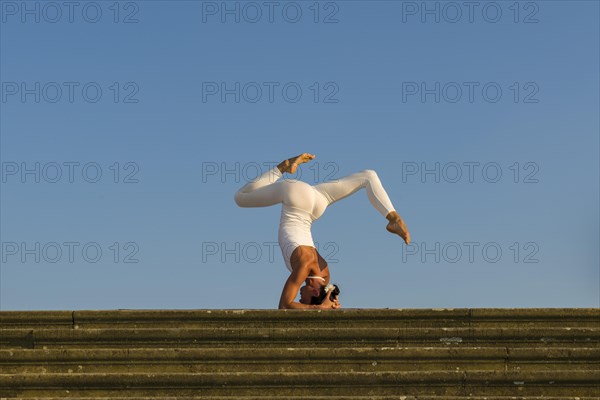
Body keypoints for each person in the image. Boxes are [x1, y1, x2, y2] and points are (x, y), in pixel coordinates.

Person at [234, 153, 410, 309]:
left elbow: (327, 293)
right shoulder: (306, 265)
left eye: (300, 299)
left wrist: (331, 301)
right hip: (295, 196)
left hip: (317, 201)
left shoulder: (325, 273)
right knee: (240, 198)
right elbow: (285, 305)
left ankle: (393, 217)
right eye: (304, 299)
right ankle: (282, 167)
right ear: (314, 292)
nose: (300, 297)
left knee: (368, 176)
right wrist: (320, 309)